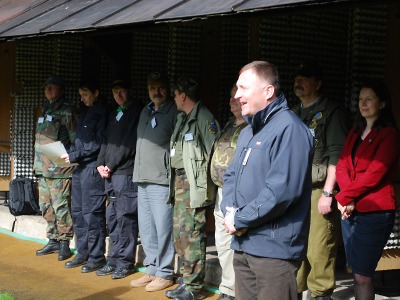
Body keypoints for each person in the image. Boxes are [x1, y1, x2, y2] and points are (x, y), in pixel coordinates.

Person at [221, 61, 314, 300]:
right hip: (244, 244)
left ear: (268, 91)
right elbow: (231, 176)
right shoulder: (248, 132)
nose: (237, 95)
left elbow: (281, 192)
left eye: (243, 88)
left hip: (274, 251)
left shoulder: (290, 129)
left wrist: (240, 218)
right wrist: (230, 212)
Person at [335, 80, 400, 300]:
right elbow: (343, 164)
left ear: (382, 104)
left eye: (369, 99)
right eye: (361, 99)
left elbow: (375, 174)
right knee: (356, 272)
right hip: (350, 210)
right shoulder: (356, 131)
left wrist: (345, 196)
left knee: (363, 275)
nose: (363, 103)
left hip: (374, 213)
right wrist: (347, 200)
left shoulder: (389, 135)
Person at [292, 61, 349, 300]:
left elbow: (337, 154)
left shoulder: (331, 112)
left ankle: (320, 293)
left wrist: (328, 193)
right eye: (297, 78)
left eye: (305, 78)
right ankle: (294, 290)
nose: (299, 82)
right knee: (296, 245)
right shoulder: (293, 112)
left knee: (319, 247)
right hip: (295, 189)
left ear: (318, 83)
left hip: (318, 189)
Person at [165, 77, 220, 300]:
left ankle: (195, 289)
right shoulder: (182, 118)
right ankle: (186, 279)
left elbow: (213, 154)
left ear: (183, 95)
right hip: (179, 182)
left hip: (193, 185)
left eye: (176, 95)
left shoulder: (205, 118)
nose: (175, 99)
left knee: (193, 235)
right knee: (180, 236)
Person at [130, 72, 178, 291]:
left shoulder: (174, 111)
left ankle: (165, 272)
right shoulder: (146, 110)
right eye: (152, 88)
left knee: (163, 228)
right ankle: (151, 268)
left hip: (161, 179)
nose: (156, 92)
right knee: (147, 228)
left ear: (167, 90)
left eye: (160, 88)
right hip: (142, 177)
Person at [95, 79, 143, 279]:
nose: (118, 95)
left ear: (129, 90)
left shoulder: (136, 110)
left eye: (121, 91)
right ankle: (113, 259)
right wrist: (100, 163)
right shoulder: (116, 112)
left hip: (125, 173)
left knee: (126, 219)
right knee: (112, 218)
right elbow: (107, 141)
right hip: (111, 175)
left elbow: (129, 143)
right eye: (115, 92)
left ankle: (125, 262)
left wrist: (111, 165)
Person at [62, 81, 109, 273]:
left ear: (96, 92)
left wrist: (75, 155)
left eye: (85, 94)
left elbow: (98, 142)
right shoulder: (86, 111)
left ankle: (96, 256)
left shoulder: (103, 111)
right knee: (79, 213)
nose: (81, 98)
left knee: (93, 214)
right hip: (79, 169)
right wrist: (70, 153)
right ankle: (82, 252)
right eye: (80, 94)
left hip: (91, 168)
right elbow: (79, 140)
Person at [34, 75, 76, 261]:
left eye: (53, 87)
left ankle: (65, 242)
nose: (49, 90)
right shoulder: (45, 109)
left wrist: (70, 161)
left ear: (61, 89)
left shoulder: (68, 110)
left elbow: (76, 140)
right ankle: (53, 239)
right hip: (42, 167)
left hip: (59, 169)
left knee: (61, 206)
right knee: (46, 205)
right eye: (46, 87)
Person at [210, 85, 247, 300]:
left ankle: (235, 291)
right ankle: (227, 288)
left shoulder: (252, 127)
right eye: (231, 95)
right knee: (222, 242)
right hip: (222, 192)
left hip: (239, 193)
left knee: (236, 243)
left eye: (237, 95)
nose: (232, 99)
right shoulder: (230, 124)